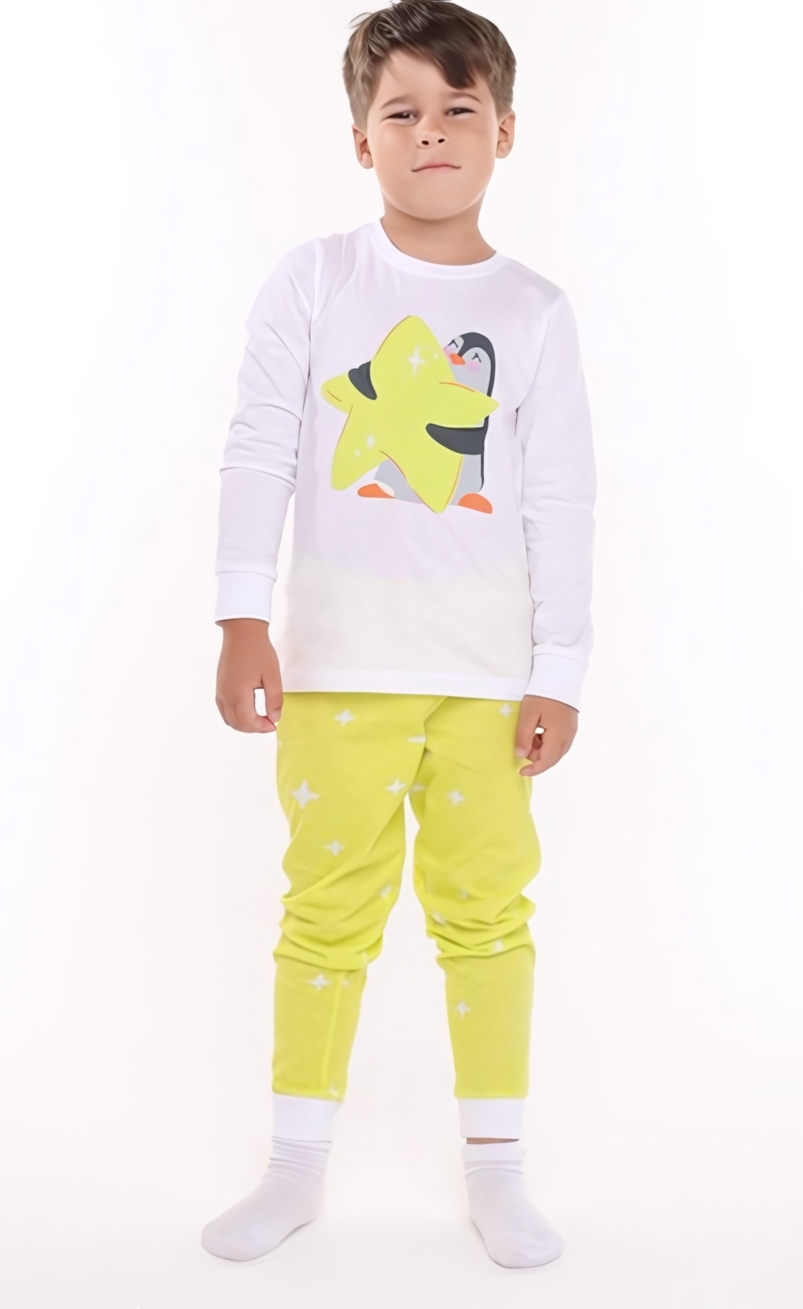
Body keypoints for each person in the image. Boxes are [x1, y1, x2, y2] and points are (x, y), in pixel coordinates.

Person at [202, 0, 595, 1270]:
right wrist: (240, 618)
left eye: (457, 107)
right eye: (401, 111)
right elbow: (260, 447)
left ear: (504, 130)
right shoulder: (316, 279)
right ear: (359, 139)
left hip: (484, 683)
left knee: (486, 919)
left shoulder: (533, 311)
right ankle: (293, 1166)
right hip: (335, 673)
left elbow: (560, 500)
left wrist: (558, 669)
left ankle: (497, 1171)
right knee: (325, 914)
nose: (430, 132)